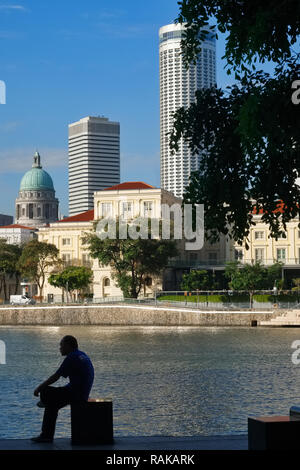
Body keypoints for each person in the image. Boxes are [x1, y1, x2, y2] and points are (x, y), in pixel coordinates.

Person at [31, 335, 94, 443]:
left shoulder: (72, 357)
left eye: (62, 345)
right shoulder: (81, 355)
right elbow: (75, 383)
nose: (60, 348)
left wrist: (38, 388)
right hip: (81, 393)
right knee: (52, 405)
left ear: (69, 346)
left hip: (77, 394)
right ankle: (46, 436)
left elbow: (55, 377)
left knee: (46, 390)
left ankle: (46, 434)